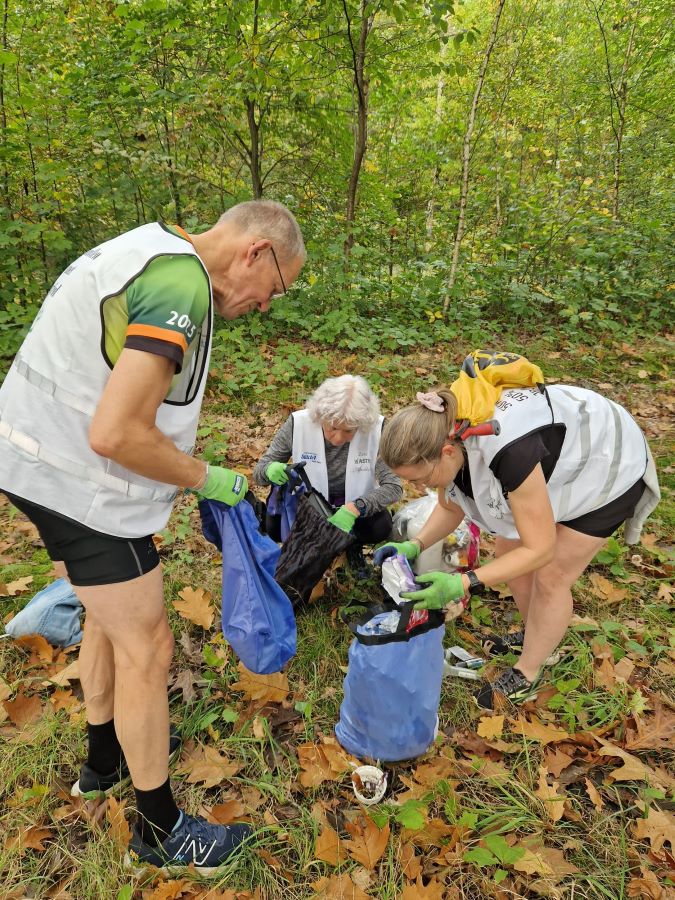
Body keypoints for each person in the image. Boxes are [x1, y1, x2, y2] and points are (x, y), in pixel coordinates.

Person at [0, 200, 305, 871]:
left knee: (111, 621)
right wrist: (205, 476)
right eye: (274, 290)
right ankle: (159, 831)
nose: (264, 305)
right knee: (149, 646)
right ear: (256, 251)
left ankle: (102, 763)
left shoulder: (149, 246)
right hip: (78, 483)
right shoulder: (180, 284)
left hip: (38, 461)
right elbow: (115, 433)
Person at [374, 350, 660, 709]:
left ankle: (529, 670)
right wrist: (414, 545)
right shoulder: (446, 431)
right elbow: (451, 505)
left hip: (607, 462)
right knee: (508, 552)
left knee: (552, 574)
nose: (421, 489)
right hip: (556, 458)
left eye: (421, 478)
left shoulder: (509, 452)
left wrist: (463, 582)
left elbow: (541, 549)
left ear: (447, 452)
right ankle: (536, 632)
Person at [253, 375, 403, 574]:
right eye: (332, 427)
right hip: (309, 506)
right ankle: (308, 548)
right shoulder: (298, 423)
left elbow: (393, 487)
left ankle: (351, 547)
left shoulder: (377, 429)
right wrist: (269, 470)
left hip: (353, 510)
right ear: (320, 414)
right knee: (273, 525)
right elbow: (259, 473)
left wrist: (356, 508)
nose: (338, 438)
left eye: (349, 431)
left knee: (381, 525)